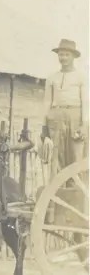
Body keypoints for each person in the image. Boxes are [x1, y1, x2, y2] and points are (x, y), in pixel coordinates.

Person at [43, 39, 88, 178]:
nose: (63, 58)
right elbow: (47, 102)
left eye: (67, 55)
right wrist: (44, 126)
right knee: (57, 156)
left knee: (76, 155)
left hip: (75, 117)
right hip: (56, 119)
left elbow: (86, 102)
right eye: (61, 55)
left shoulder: (82, 77)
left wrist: (84, 124)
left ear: (73, 56)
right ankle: (58, 193)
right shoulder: (51, 78)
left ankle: (76, 193)